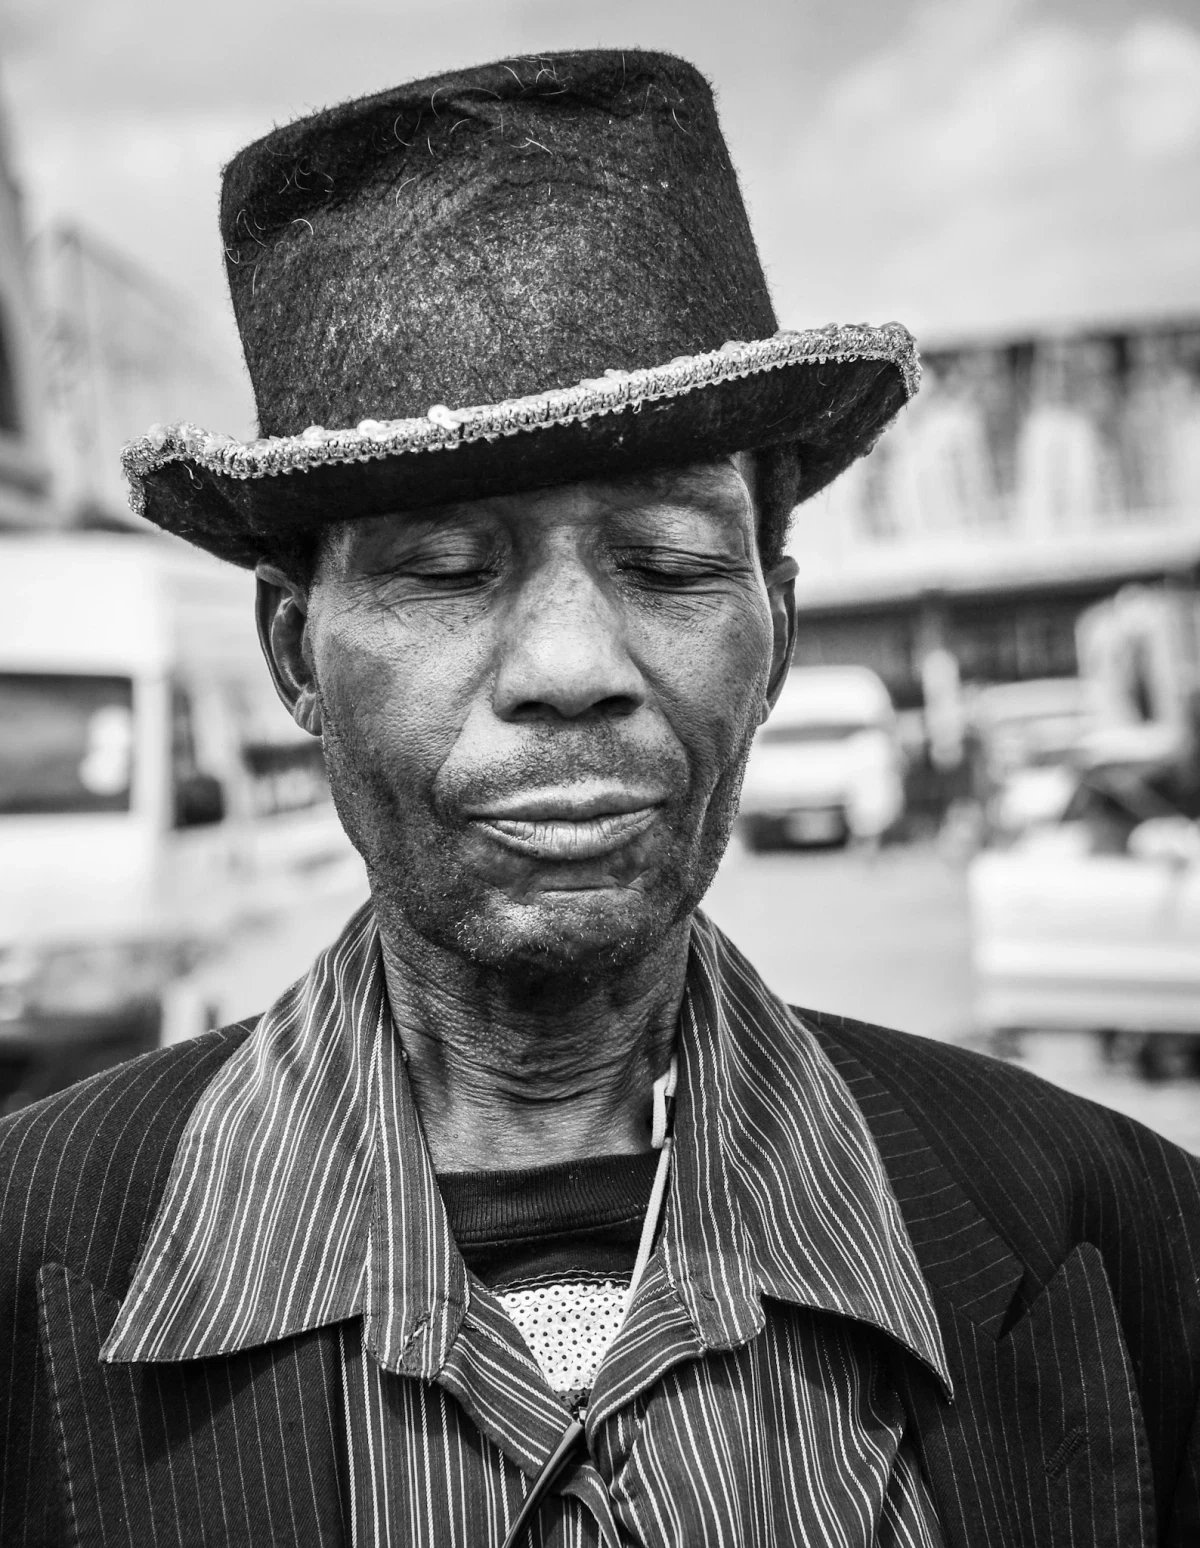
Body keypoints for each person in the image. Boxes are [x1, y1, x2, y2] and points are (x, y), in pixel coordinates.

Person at [1, 50, 1197, 1548]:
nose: (571, 669)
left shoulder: (1124, 1252)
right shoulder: (32, 1265)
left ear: (776, 628)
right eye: (448, 570)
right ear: (295, 651)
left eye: (670, 564)